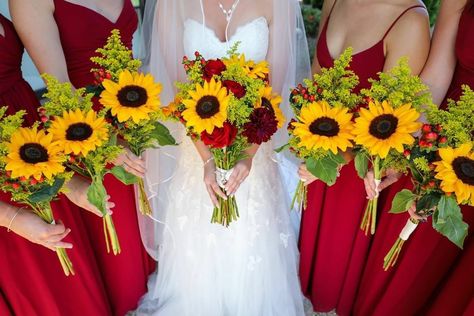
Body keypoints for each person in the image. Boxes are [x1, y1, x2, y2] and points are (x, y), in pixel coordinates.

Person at [136, 0, 311, 315]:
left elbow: (276, 93)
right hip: (195, 149)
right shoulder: (170, 5)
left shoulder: (278, 4)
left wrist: (246, 156)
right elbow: (180, 94)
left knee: (251, 238)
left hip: (256, 147)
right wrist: (207, 160)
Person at [9, 1, 155, 314]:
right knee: (120, 250)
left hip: (134, 116)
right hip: (85, 135)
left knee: (154, 238)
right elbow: (60, 88)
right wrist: (107, 144)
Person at [297, 0, 430, 314]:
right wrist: (303, 143)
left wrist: (328, 163)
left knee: (329, 283)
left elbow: (390, 122)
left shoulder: (410, 21)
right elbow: (316, 78)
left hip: (357, 176)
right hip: (312, 155)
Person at [354, 0, 474, 314]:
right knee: (405, 268)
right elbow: (435, 77)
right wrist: (402, 149)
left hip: (466, 168)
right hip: (439, 140)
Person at [0, 12, 112, 315]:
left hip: (37, 160)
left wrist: (69, 183)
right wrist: (12, 218)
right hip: (10, 201)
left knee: (80, 288)